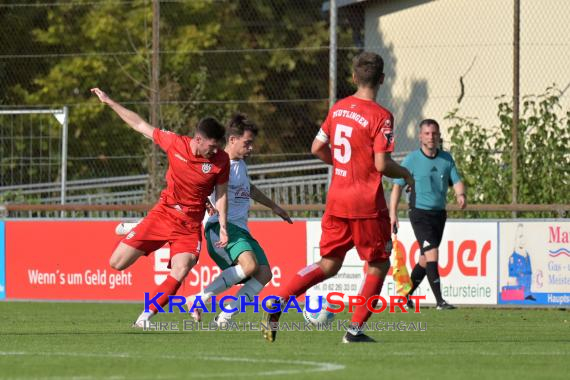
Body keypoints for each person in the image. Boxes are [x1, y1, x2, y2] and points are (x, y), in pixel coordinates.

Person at [261, 51, 414, 344]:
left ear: (354, 77)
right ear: (382, 79)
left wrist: (344, 164)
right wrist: (406, 174)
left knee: (329, 264)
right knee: (378, 265)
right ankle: (354, 331)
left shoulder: (339, 108)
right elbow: (382, 164)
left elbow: (317, 147)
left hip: (337, 199)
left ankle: (278, 299)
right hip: (366, 204)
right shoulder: (382, 116)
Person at [90, 88, 230, 327]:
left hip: (189, 225)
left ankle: (144, 318)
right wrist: (110, 102)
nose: (216, 151)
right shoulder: (175, 144)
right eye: (212, 146)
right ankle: (140, 227)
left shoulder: (221, 161)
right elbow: (139, 124)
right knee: (116, 264)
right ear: (198, 139)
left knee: (181, 268)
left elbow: (222, 194)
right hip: (163, 215)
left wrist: (224, 226)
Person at [184, 113, 293, 325]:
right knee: (250, 266)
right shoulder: (216, 164)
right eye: (247, 143)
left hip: (241, 229)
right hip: (222, 227)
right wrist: (205, 203)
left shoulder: (240, 165)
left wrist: (275, 207)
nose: (251, 148)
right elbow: (198, 185)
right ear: (232, 140)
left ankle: (224, 318)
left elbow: (249, 188)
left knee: (264, 274)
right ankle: (198, 299)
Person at [390, 118, 466, 310]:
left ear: (439, 136)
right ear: (420, 136)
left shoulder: (446, 159)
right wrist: (393, 214)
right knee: (432, 253)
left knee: (425, 259)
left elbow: (456, 180)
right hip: (419, 214)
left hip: (439, 215)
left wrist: (460, 194)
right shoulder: (411, 160)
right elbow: (397, 187)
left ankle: (404, 296)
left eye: (434, 133)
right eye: (427, 133)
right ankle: (440, 301)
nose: (431, 137)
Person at [508, 223, 535, 301]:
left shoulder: (527, 255)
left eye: (524, 236)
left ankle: (528, 294)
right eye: (520, 236)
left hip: (527, 290)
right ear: (516, 239)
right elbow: (512, 277)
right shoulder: (513, 257)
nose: (522, 239)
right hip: (518, 291)